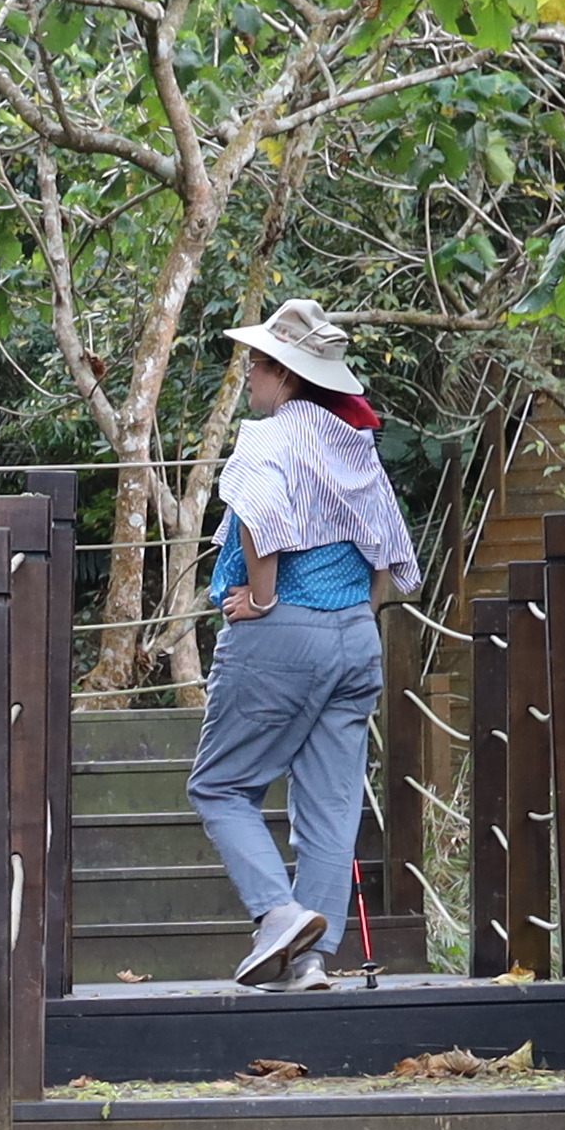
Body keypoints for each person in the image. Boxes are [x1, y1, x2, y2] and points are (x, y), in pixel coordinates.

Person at [186, 298, 418, 986]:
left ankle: (275, 913)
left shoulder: (272, 437)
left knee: (220, 786)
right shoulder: (354, 443)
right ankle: (309, 961)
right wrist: (358, 618)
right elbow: (387, 551)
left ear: (287, 374)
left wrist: (261, 598)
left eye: (257, 363)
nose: (249, 375)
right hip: (355, 636)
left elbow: (257, 515)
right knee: (330, 806)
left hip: (284, 632)